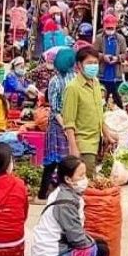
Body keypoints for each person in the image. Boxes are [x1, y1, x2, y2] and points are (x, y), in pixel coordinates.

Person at [29, 156, 114, 256]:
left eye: (85, 175)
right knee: (98, 249)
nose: (84, 179)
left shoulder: (63, 191)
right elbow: (78, 240)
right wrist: (92, 241)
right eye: (80, 176)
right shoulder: (65, 202)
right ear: (68, 178)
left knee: (100, 243)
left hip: (57, 244)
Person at [62, 46, 114, 175]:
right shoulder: (73, 88)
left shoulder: (96, 83)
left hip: (98, 141)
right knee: (87, 180)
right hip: (84, 144)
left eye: (95, 63)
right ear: (79, 65)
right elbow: (69, 122)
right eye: (89, 63)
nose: (93, 66)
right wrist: (73, 148)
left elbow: (99, 114)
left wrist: (107, 134)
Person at [38, 48, 76, 201]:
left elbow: (54, 107)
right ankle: (45, 194)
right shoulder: (67, 79)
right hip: (61, 125)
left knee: (57, 162)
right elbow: (55, 109)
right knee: (57, 162)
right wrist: (66, 127)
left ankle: (54, 193)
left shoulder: (62, 79)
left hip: (63, 124)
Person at [94, 13, 128, 106]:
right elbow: (93, 53)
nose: (110, 30)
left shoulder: (120, 39)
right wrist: (103, 57)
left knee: (117, 101)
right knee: (101, 101)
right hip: (102, 74)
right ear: (104, 27)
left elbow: (125, 54)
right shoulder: (99, 39)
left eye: (111, 28)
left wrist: (117, 58)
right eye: (108, 28)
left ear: (115, 27)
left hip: (116, 75)